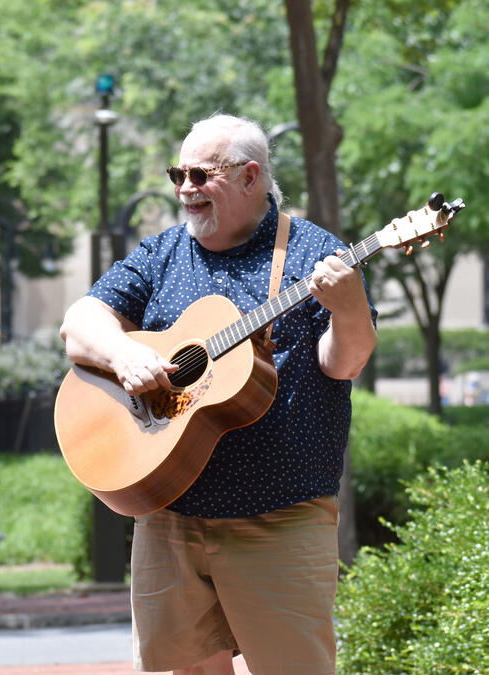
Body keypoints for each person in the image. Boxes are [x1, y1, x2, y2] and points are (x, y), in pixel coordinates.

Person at [59, 113, 377, 675]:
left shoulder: (312, 254)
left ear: (251, 177)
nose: (185, 188)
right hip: (169, 515)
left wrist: (349, 306)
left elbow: (342, 362)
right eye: (177, 174)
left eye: (201, 176)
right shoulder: (161, 254)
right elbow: (79, 323)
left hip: (279, 517)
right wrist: (125, 354)